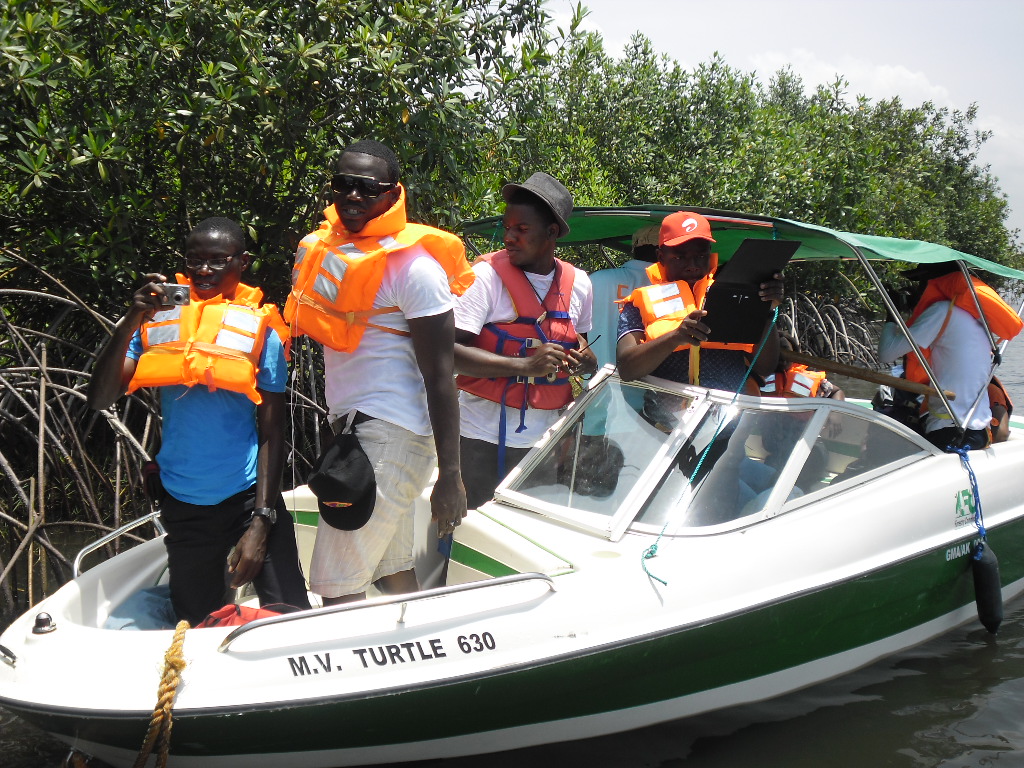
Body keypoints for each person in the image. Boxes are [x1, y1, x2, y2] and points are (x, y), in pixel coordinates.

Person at [87, 217, 311, 626]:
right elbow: (101, 396)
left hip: (247, 496)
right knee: (196, 622)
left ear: (241, 262)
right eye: (194, 261)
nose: (203, 270)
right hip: (185, 501)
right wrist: (131, 319)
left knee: (290, 617)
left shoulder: (263, 332)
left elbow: (272, 432)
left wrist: (262, 520)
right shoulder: (157, 322)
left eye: (216, 261)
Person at [285, 139, 473, 604]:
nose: (352, 196)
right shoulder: (332, 252)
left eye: (367, 189)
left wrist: (450, 475)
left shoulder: (416, 269)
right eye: (342, 185)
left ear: (393, 196)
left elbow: (441, 372)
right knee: (393, 573)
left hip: (390, 437)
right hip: (362, 430)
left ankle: (345, 674)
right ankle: (421, 662)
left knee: (335, 586)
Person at [454, 172, 598, 510]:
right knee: (474, 532)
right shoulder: (486, 277)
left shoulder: (580, 284)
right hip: (480, 436)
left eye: (522, 229)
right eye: (507, 227)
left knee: (526, 533)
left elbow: (582, 342)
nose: (509, 237)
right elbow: (446, 353)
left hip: (547, 439)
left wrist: (587, 360)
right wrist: (523, 365)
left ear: (551, 233)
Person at [616, 210, 785, 389]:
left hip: (727, 414)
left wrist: (765, 309)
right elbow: (626, 369)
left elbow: (765, 367)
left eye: (701, 256)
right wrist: (674, 337)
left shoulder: (734, 296)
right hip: (663, 416)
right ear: (660, 257)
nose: (693, 266)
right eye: (680, 257)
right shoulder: (639, 303)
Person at [879, 262, 1022, 451]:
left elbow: (885, 353)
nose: (917, 290)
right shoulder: (977, 318)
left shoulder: (942, 310)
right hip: (979, 432)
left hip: (948, 432)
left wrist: (892, 315)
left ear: (934, 282)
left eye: (920, 283)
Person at [587, 223, 659, 370]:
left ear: (634, 249)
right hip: (652, 389)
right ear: (663, 253)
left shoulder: (596, 280)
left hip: (597, 386)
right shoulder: (669, 287)